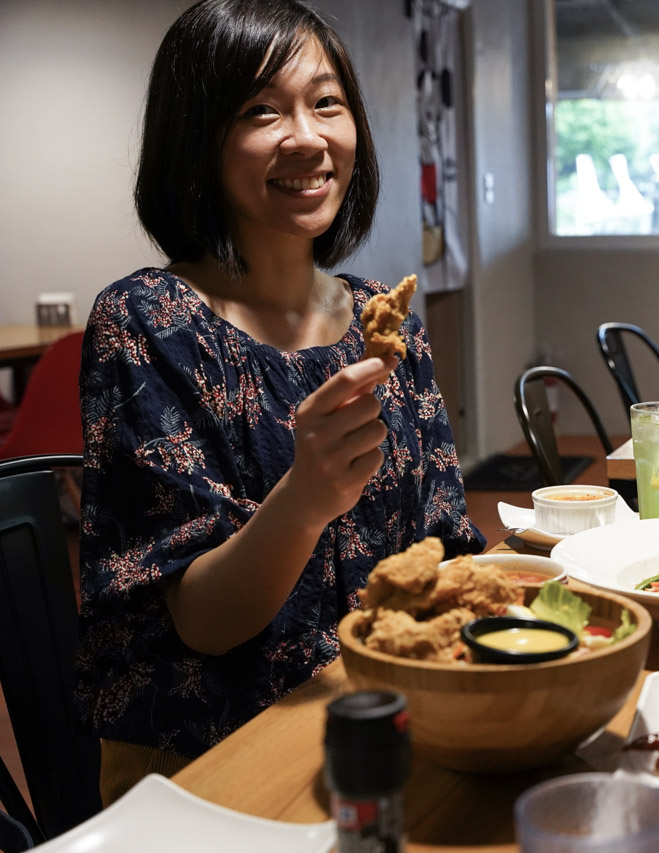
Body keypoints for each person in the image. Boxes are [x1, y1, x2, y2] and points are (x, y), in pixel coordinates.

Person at [74, 0, 485, 802]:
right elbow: (203, 620)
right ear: (198, 141)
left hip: (388, 736)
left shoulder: (384, 324)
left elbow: (444, 554)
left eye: (325, 102)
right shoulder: (147, 323)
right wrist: (305, 499)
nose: (307, 137)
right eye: (261, 111)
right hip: (210, 767)